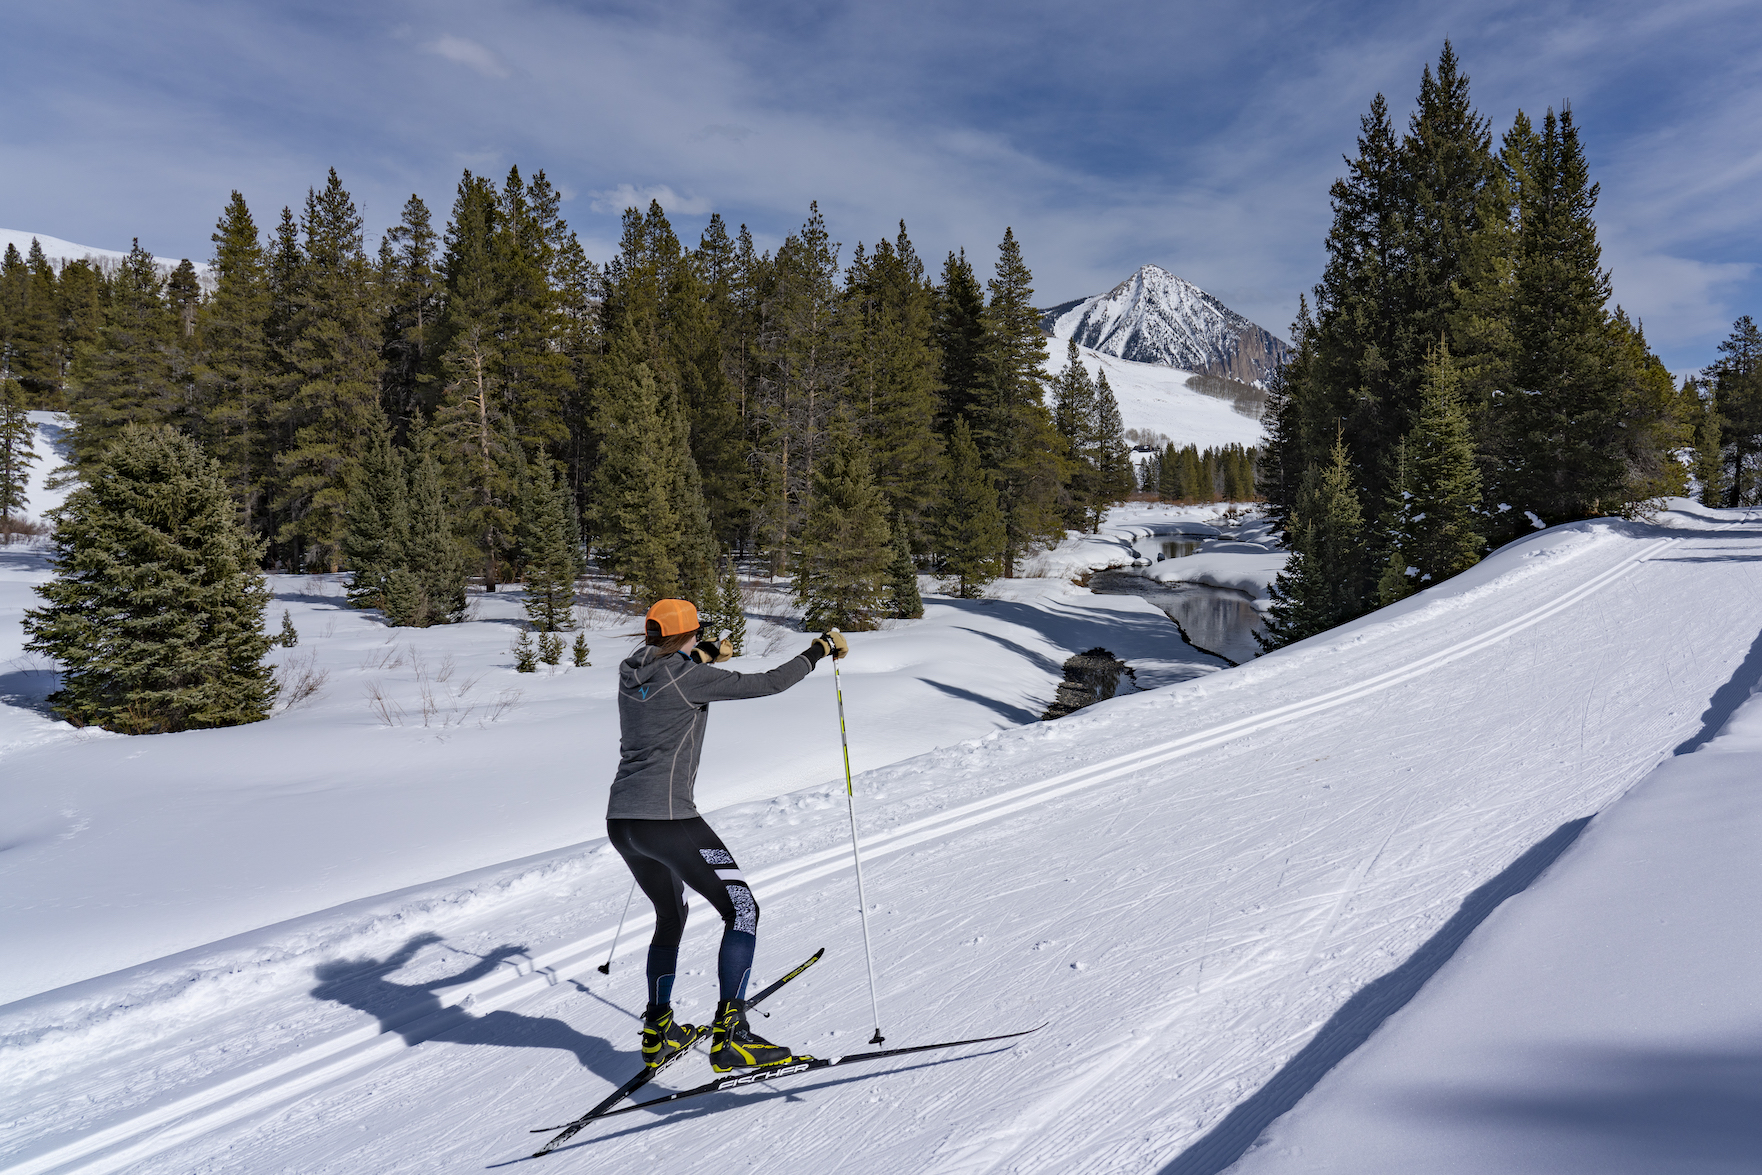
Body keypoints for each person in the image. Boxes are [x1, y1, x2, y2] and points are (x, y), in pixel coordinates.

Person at [609, 597, 848, 1072]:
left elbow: (671, 669)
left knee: (670, 914)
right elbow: (771, 683)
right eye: (697, 633)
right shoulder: (691, 676)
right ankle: (732, 1035)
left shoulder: (629, 670)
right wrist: (820, 649)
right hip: (670, 819)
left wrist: (708, 655)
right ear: (686, 635)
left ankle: (658, 1030)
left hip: (623, 823)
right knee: (741, 907)